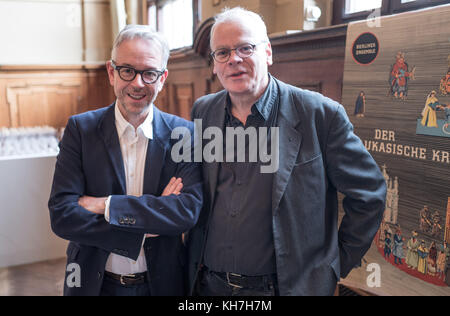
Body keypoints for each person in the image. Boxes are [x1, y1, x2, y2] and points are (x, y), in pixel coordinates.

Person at [187, 7, 386, 296]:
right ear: (215, 64)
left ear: (267, 52)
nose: (234, 60)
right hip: (209, 286)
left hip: (284, 289)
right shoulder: (203, 111)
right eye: (223, 53)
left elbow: (369, 194)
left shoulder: (320, 115)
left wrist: (334, 264)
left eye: (245, 48)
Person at [48, 25, 203, 296]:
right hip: (93, 285)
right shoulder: (80, 130)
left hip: (162, 285)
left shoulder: (184, 134)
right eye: (127, 70)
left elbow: (185, 213)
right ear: (111, 72)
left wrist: (105, 205)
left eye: (150, 73)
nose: (138, 83)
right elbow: (63, 215)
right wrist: (146, 225)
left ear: (163, 77)